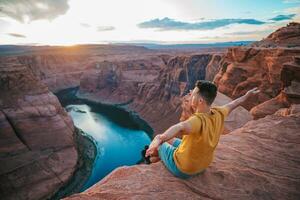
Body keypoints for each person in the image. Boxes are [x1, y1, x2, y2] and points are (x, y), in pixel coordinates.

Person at [145, 80, 260, 179]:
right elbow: (235, 103)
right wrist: (247, 95)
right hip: (203, 165)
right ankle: (158, 156)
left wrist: (159, 139)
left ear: (200, 101)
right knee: (171, 141)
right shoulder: (219, 112)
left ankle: (152, 161)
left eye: (193, 93)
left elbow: (180, 127)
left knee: (159, 146)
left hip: (184, 169)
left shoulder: (197, 120)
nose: (190, 94)